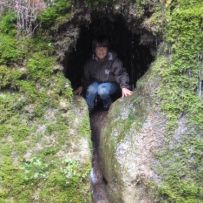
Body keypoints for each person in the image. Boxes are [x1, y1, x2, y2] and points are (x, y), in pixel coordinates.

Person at [75, 37, 133, 111]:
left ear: (108, 49)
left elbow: (121, 73)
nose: (101, 51)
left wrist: (124, 86)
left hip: (111, 84)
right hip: (97, 82)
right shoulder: (90, 62)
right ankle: (88, 109)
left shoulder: (113, 60)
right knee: (91, 90)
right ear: (94, 50)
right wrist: (82, 86)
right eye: (98, 48)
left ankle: (108, 106)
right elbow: (86, 77)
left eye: (104, 48)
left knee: (102, 90)